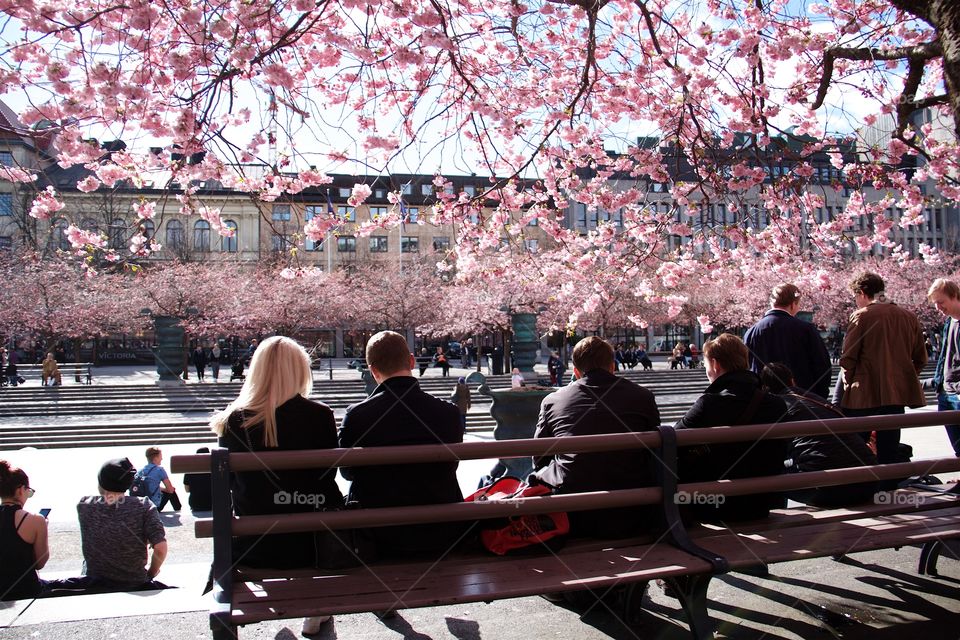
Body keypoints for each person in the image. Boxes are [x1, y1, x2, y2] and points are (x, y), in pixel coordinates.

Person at [211, 336, 345, 568]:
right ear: (300, 370)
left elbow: (228, 483)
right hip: (312, 543)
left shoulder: (234, 420)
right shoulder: (320, 415)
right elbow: (327, 476)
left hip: (255, 545)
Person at [339, 330, 466, 558]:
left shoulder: (358, 416)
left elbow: (347, 472)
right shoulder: (448, 413)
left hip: (375, 537)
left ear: (373, 370)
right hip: (442, 533)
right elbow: (450, 465)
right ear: (411, 361)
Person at [531, 337, 661, 538]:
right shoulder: (643, 396)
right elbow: (654, 451)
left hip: (572, 514)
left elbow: (539, 458)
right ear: (612, 366)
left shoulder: (552, 401)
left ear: (575, 371)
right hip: (633, 512)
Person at [675, 333, 788, 521]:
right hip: (760, 503)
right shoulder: (776, 404)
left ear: (715, 364)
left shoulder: (709, 404)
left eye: (706, 366)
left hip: (713, 504)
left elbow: (674, 442)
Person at [760, 363, 879, 507]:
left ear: (764, 388)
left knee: (767, 469)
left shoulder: (777, 406)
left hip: (829, 491)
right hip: (869, 484)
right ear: (792, 380)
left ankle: (775, 519)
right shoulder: (816, 400)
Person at [839, 272, 927, 467]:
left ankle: (861, 491)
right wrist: (903, 378)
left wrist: (848, 384)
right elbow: (920, 358)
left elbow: (848, 358)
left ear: (862, 292)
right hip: (895, 395)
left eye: (856, 297)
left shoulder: (861, 316)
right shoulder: (908, 316)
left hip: (862, 395)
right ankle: (887, 489)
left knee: (856, 450)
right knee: (889, 449)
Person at [76, 458, 167, 591]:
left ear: (101, 481)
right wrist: (151, 574)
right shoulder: (144, 506)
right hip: (135, 582)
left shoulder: (84, 505)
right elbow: (161, 548)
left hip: (95, 582)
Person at [742, 283, 833, 398]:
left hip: (765, 401)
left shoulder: (752, 332)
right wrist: (820, 396)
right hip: (803, 398)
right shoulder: (805, 329)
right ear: (793, 304)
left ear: (772, 303)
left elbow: (747, 367)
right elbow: (822, 365)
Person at [1, 460, 49, 600]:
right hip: (26, 590)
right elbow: (40, 563)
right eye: (29, 491)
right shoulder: (35, 520)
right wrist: (43, 529)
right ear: (21, 489)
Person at [925, 278, 960, 456]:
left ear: (954, 296)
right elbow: (945, 358)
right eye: (935, 303)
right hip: (946, 391)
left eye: (941, 302)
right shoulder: (949, 322)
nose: (938, 307)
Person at [136, 447, 181, 512]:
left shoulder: (140, 471)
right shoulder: (159, 469)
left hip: (141, 505)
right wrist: (165, 490)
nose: (162, 459)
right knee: (172, 490)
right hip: (154, 507)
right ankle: (178, 510)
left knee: (165, 490)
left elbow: (147, 486)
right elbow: (170, 489)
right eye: (160, 457)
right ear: (156, 458)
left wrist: (161, 489)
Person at [183, 447, 213, 512]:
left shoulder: (189, 470)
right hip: (212, 503)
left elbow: (187, 490)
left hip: (195, 504)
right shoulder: (214, 469)